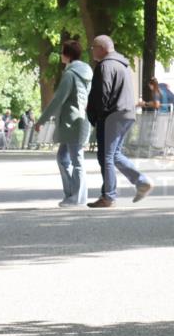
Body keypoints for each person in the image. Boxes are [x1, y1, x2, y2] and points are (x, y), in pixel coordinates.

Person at [86, 35, 152, 207]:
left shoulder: (105, 66)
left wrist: (97, 115)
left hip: (112, 115)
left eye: (93, 47)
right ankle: (141, 181)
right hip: (126, 113)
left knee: (106, 156)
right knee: (114, 155)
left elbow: (102, 93)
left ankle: (108, 196)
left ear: (102, 48)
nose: (92, 50)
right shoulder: (122, 65)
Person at [35, 39, 92, 207]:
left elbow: (58, 99)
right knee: (63, 157)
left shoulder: (70, 75)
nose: (61, 55)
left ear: (67, 55)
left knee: (75, 160)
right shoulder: (86, 72)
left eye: (62, 52)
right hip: (79, 121)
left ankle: (76, 197)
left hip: (71, 122)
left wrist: (41, 120)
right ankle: (72, 195)